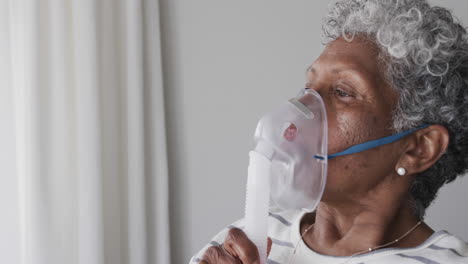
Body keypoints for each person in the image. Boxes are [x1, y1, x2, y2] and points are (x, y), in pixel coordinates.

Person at [191, 0, 468, 263]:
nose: (301, 109)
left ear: (418, 148)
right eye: (309, 90)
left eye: (341, 92)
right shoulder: (240, 245)